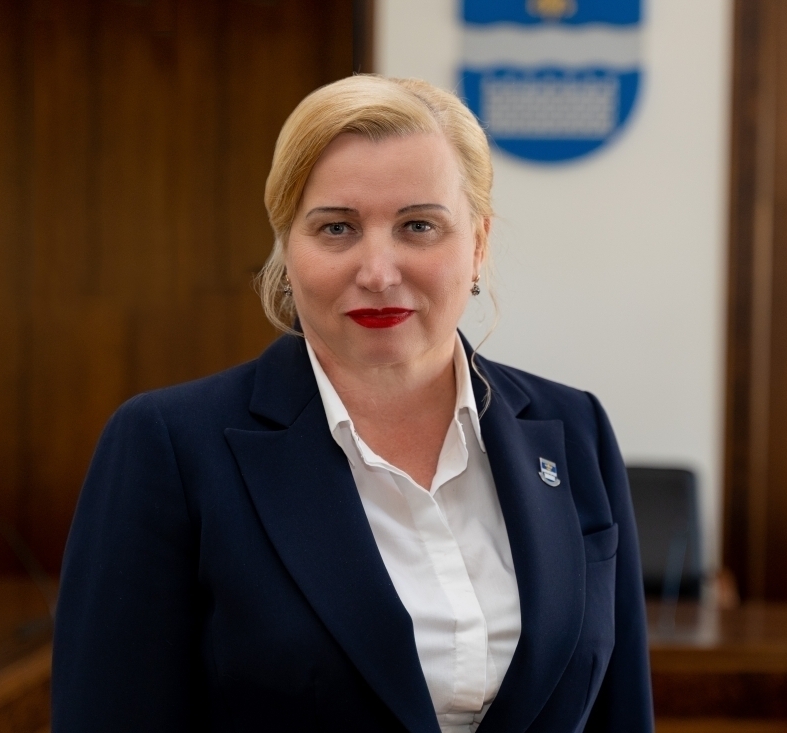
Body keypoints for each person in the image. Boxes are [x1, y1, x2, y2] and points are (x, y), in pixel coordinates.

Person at [52, 75, 653, 732]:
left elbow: (620, 710)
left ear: (478, 244)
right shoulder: (167, 445)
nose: (378, 271)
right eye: (336, 227)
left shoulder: (575, 428)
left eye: (419, 225)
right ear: (288, 248)